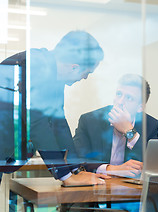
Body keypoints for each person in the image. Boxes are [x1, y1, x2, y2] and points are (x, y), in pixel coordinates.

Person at [1, 30, 109, 185]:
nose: (85, 78)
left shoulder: (52, 73)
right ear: (74, 67)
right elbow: (37, 122)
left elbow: (59, 124)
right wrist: (66, 176)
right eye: (87, 73)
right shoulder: (37, 66)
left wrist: (76, 169)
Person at [73, 74, 158, 178]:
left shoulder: (150, 125)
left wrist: (129, 131)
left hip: (132, 189)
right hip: (98, 187)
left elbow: (155, 164)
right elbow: (76, 160)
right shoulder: (90, 121)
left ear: (140, 107)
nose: (119, 102)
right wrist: (113, 169)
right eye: (119, 94)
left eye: (129, 98)